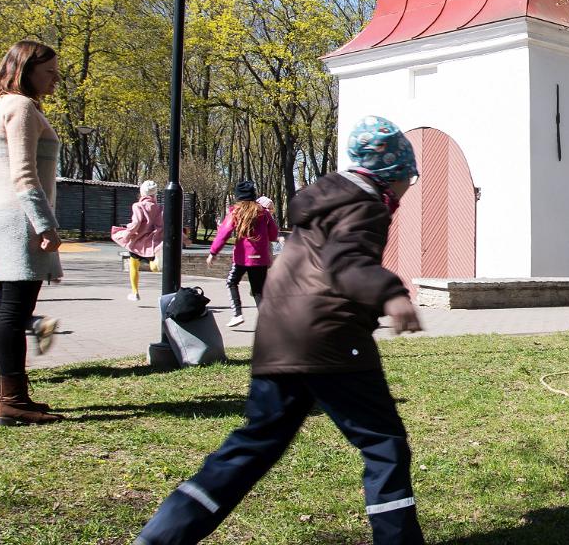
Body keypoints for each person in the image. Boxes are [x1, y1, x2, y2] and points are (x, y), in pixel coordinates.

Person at [136, 115, 426, 545]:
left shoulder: (325, 200)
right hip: (330, 340)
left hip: (277, 339)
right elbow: (346, 261)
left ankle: (161, 537)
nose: (407, 188)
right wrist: (391, 294)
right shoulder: (366, 204)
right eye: (408, 178)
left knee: (254, 446)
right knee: (384, 444)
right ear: (392, 174)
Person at [0, 40, 66, 426]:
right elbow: (24, 173)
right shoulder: (21, 106)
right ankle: (13, 400)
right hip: (19, 218)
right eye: (49, 72)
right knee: (15, 311)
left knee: (1, 309)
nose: (55, 79)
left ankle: (2, 394)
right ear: (26, 69)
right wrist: (44, 223)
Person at [210, 178, 279, 328]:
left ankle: (237, 314)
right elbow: (273, 233)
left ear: (238, 196)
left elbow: (224, 232)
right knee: (258, 290)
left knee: (231, 282)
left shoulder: (236, 212)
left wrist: (213, 252)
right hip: (260, 258)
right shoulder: (263, 212)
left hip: (242, 258)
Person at [111, 180, 164, 303]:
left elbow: (136, 223)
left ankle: (135, 292)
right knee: (153, 265)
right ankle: (157, 264)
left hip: (137, 241)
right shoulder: (160, 207)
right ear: (155, 194)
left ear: (142, 193)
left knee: (134, 265)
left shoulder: (137, 206)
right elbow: (164, 224)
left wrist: (127, 235)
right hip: (153, 242)